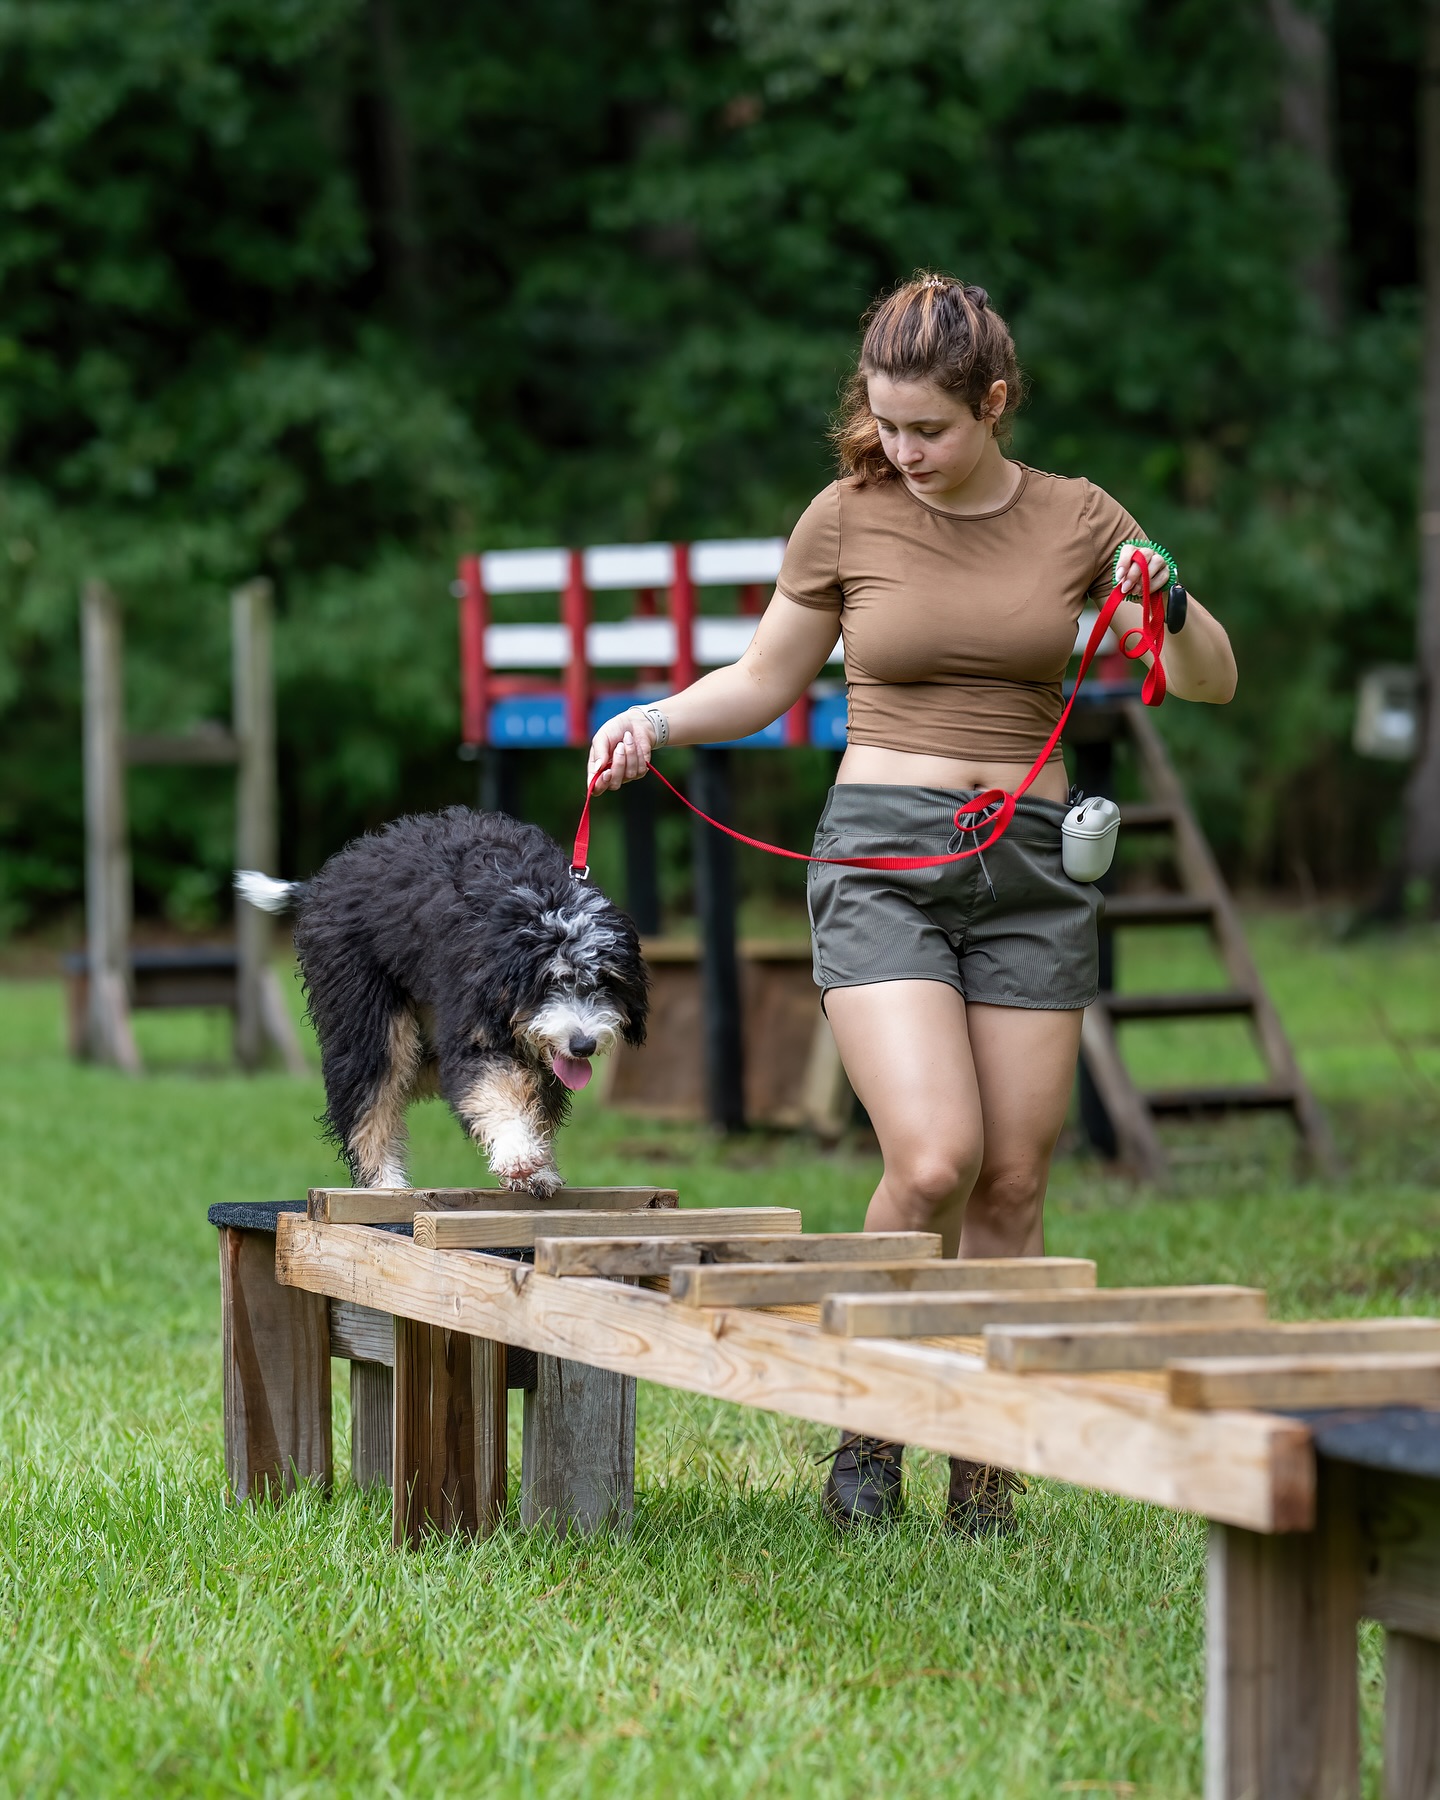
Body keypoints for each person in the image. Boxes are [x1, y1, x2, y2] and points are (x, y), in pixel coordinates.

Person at [587, 273, 1237, 1534]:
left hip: (1032, 870)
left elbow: (1208, 678)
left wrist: (1167, 595)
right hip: (883, 859)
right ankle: (870, 1428)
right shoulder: (845, 518)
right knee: (934, 1159)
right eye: (885, 424)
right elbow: (765, 678)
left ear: (993, 402)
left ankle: (982, 1472)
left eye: (927, 428)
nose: (902, 450)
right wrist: (655, 720)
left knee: (1013, 1183)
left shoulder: (1079, 516)